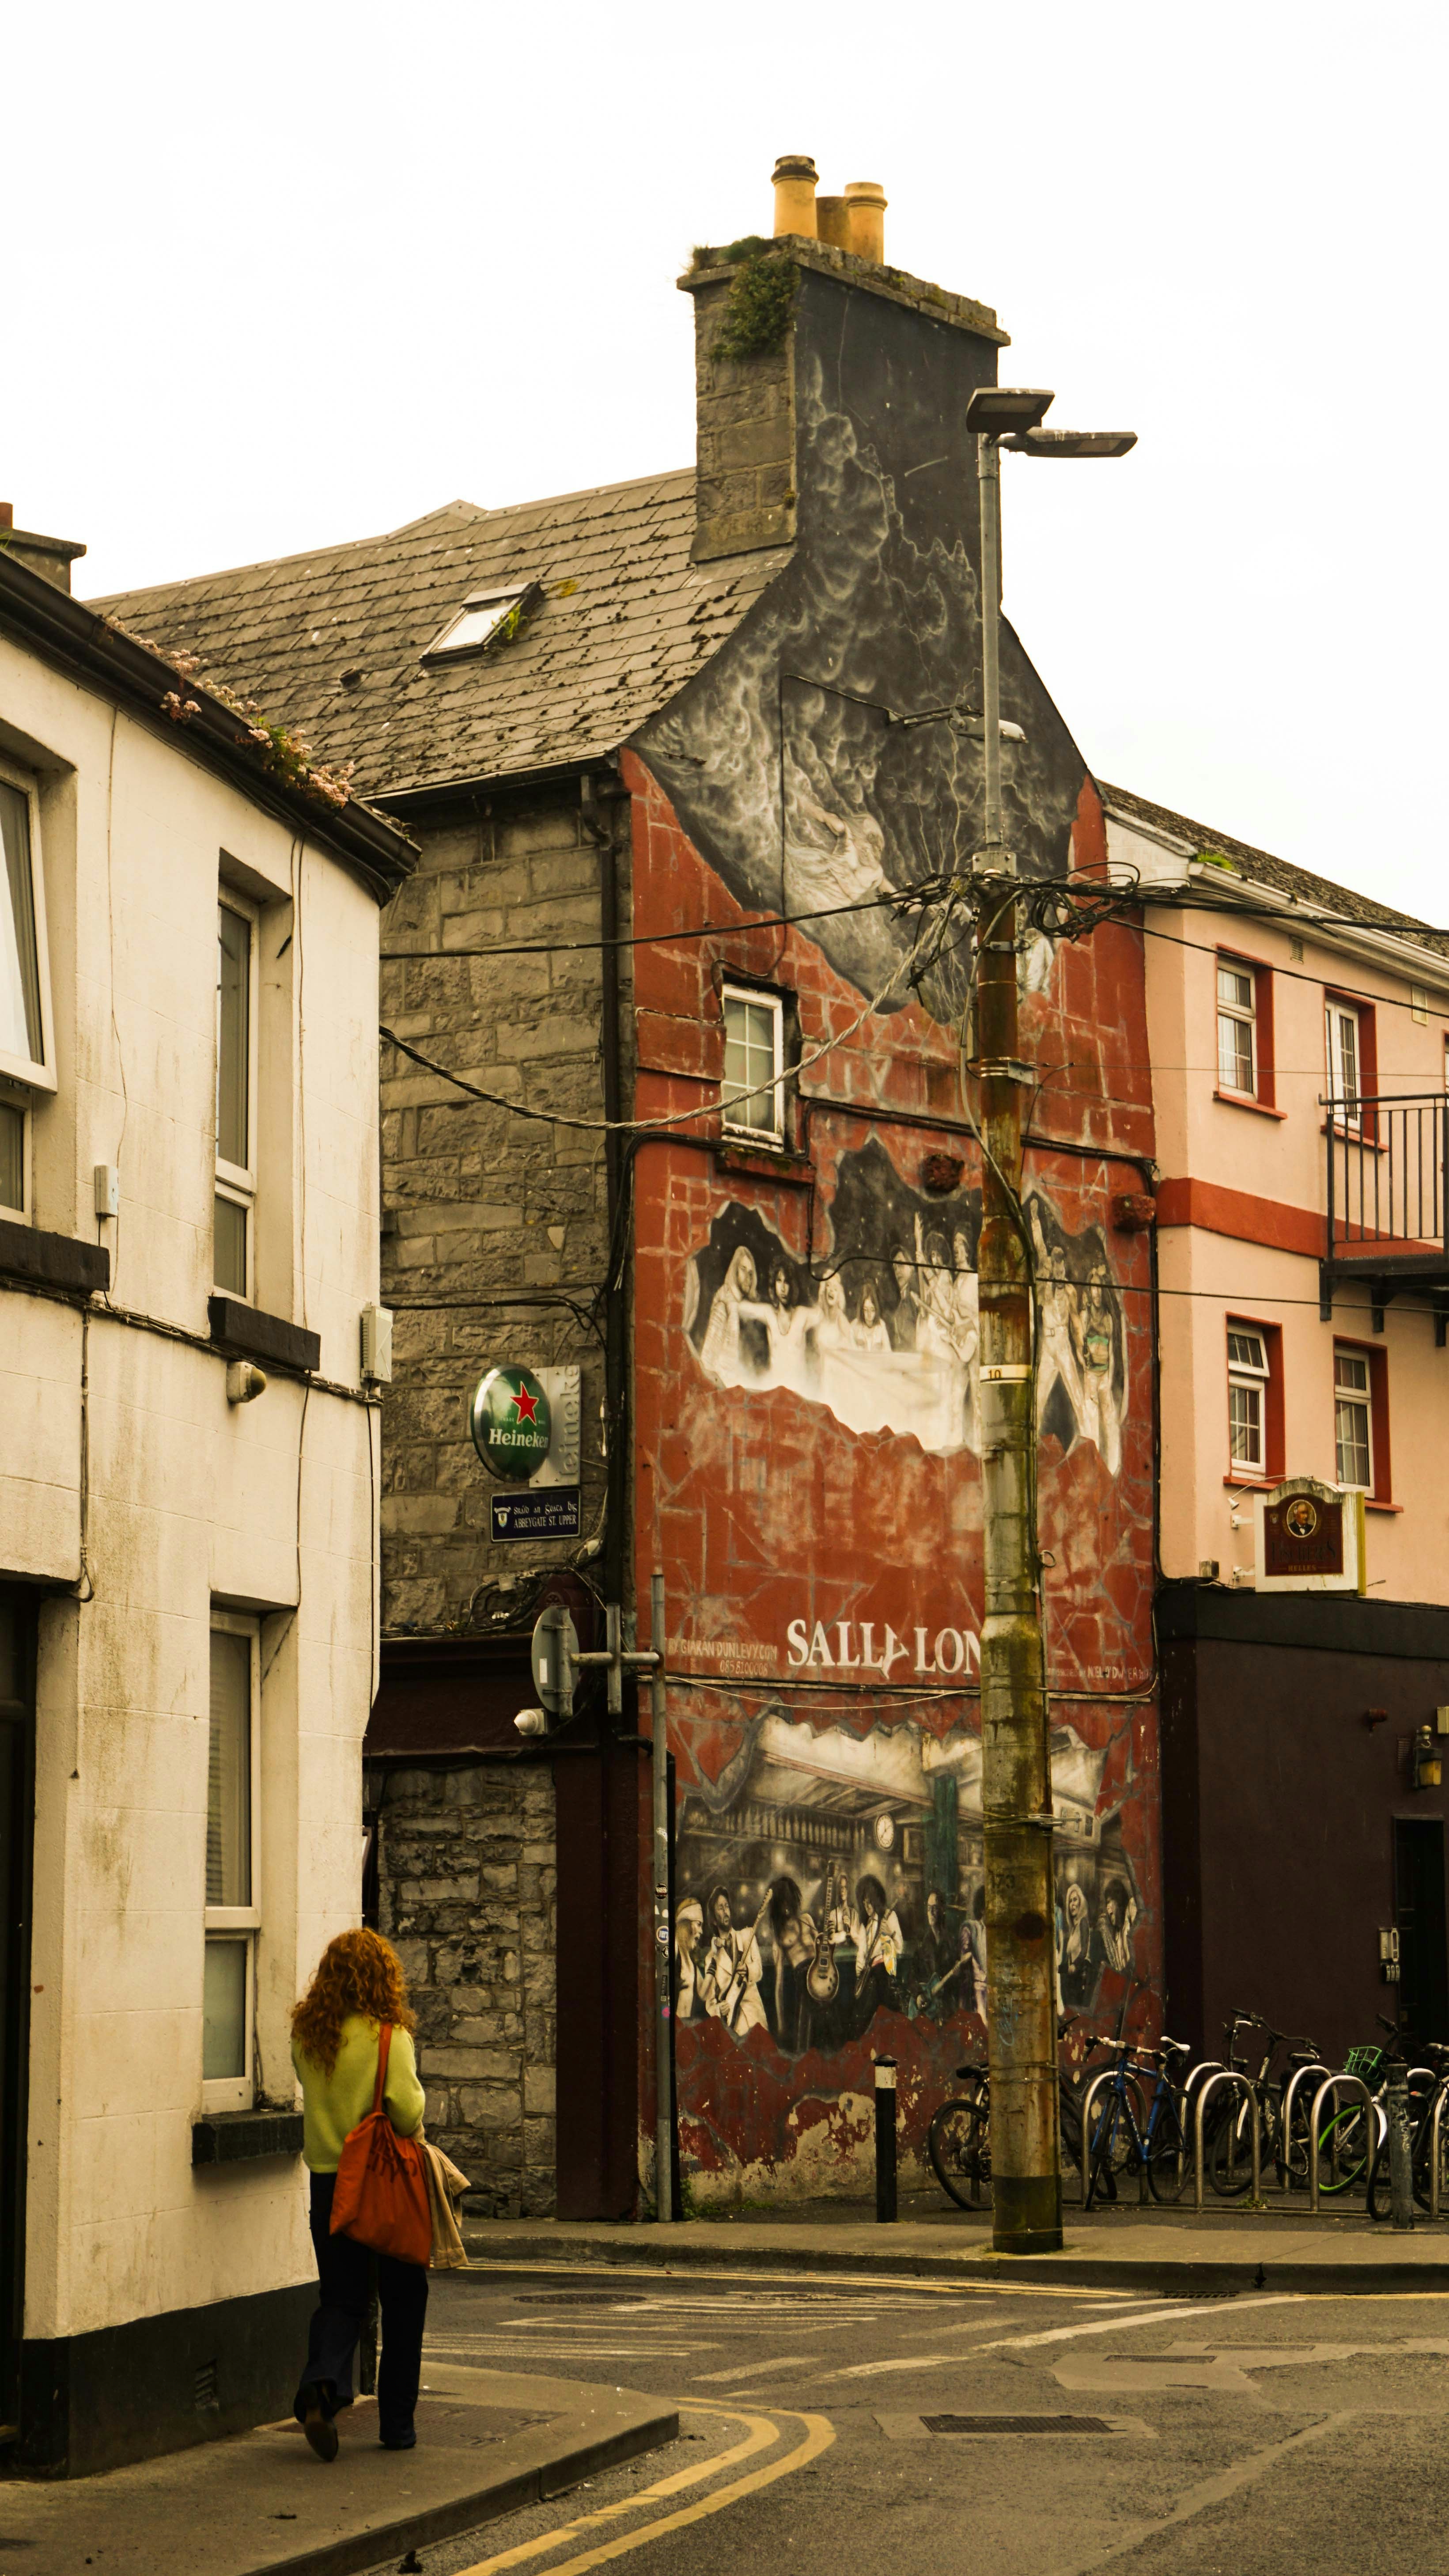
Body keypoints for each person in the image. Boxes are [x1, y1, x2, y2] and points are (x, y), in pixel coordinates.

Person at [291, 1928, 428, 2461]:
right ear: (382, 1977)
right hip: (381, 2185)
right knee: (403, 2300)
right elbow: (408, 2113)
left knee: (342, 2298)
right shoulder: (388, 2037)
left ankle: (321, 2388)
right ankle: (397, 2425)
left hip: (329, 2183)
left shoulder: (308, 2035)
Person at [699, 1886, 767, 2037]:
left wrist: (748, 1970)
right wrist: (718, 2010)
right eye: (721, 1908)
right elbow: (710, 2002)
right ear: (714, 1920)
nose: (726, 1911)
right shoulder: (711, 1958)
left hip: (756, 2018)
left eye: (727, 1906)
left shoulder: (748, 1935)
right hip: (733, 2026)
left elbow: (759, 1972)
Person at [851, 1873, 904, 2034]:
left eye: (870, 1902)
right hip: (869, 1977)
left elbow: (900, 1947)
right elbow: (861, 1957)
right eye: (864, 1903)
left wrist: (890, 1933)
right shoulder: (864, 1927)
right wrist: (861, 1975)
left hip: (886, 1972)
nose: (867, 1907)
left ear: (876, 1900)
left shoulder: (889, 1917)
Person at [1058, 1879, 1094, 2008]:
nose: (1072, 1904)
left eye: (1075, 1900)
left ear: (1081, 1902)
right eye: (1070, 1901)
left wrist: (1074, 1965)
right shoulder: (1074, 1929)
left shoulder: (1084, 1923)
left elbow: (1084, 1951)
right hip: (1072, 1980)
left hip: (1080, 1979)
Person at [673, 1897, 706, 2020]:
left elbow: (704, 1994)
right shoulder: (674, 1948)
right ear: (687, 1924)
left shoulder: (691, 1962)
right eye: (699, 1925)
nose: (701, 1931)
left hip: (685, 2028)